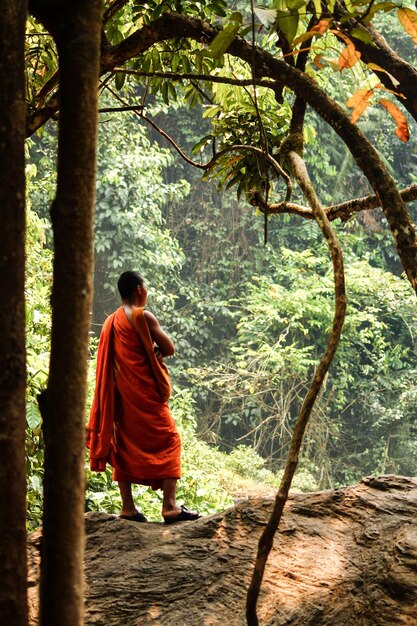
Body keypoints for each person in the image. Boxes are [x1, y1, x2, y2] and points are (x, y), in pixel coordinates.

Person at [87, 271, 201, 524]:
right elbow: (169, 348)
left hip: (122, 398)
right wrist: (155, 349)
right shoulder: (142, 316)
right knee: (171, 439)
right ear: (139, 289)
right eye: (146, 287)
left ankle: (128, 507)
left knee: (124, 446)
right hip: (146, 397)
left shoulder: (110, 322)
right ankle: (170, 506)